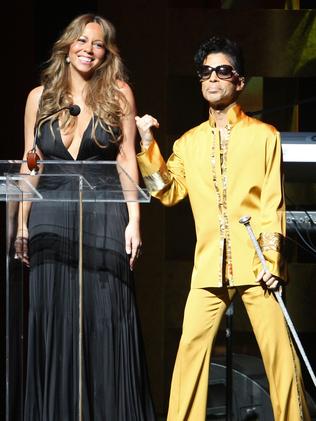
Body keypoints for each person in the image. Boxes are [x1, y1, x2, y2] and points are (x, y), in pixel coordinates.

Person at [135, 35, 311, 420]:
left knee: (280, 357)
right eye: (206, 72)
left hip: (257, 266)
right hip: (208, 265)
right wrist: (148, 146)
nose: (213, 78)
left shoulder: (265, 136)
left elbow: (271, 203)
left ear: (239, 81)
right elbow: (166, 193)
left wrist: (272, 262)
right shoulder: (187, 143)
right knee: (190, 356)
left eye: (222, 71)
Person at [14, 13, 156, 421]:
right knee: (55, 318)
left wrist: (134, 221)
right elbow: (31, 163)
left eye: (96, 43)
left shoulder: (119, 93)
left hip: (104, 213)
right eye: (80, 40)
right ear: (67, 45)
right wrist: (21, 222)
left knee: (106, 315)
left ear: (106, 52)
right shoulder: (38, 98)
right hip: (50, 214)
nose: (87, 49)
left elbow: (127, 157)